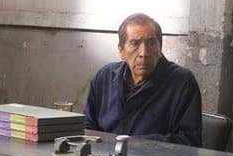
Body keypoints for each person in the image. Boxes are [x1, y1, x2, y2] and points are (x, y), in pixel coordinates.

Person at [84, 13, 203, 147]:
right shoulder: (104, 77)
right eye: (135, 43)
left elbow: (188, 141)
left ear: (160, 47)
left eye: (151, 43)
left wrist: (131, 144)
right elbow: (87, 127)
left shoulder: (182, 82)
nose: (144, 53)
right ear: (121, 51)